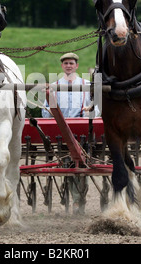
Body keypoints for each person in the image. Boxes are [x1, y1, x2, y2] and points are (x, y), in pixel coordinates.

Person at [42, 53, 98, 215]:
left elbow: (97, 107)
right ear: (62, 66)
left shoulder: (87, 85)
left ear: (76, 66)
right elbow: (46, 111)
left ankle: (78, 199)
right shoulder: (54, 86)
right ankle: (75, 199)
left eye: (71, 63)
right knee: (67, 164)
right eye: (66, 63)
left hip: (82, 131)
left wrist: (91, 113)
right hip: (62, 131)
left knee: (82, 164)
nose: (68, 65)